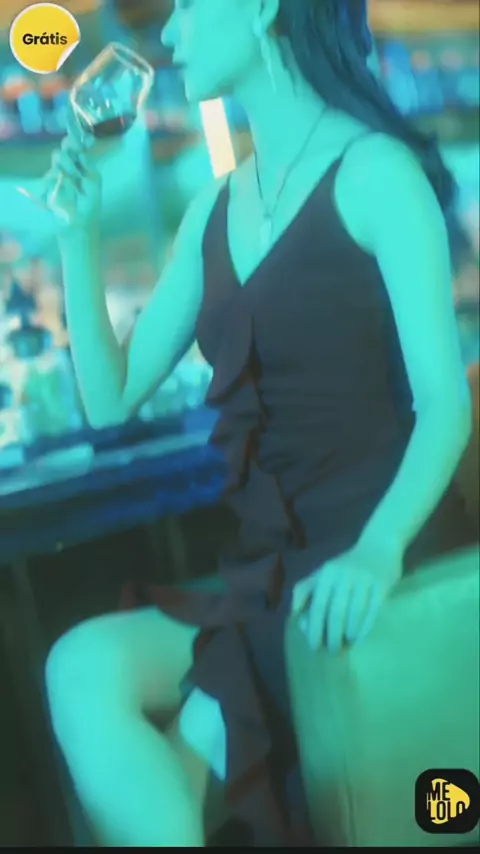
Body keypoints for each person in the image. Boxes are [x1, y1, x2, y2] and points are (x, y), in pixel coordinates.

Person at [44, 0, 474, 847]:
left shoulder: (376, 171)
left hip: (371, 563)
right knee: (79, 666)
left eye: (186, 7)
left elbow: (445, 407)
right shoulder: (214, 206)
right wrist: (77, 234)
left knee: (191, 744)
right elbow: (109, 400)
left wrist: (378, 550)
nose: (169, 35)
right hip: (268, 576)